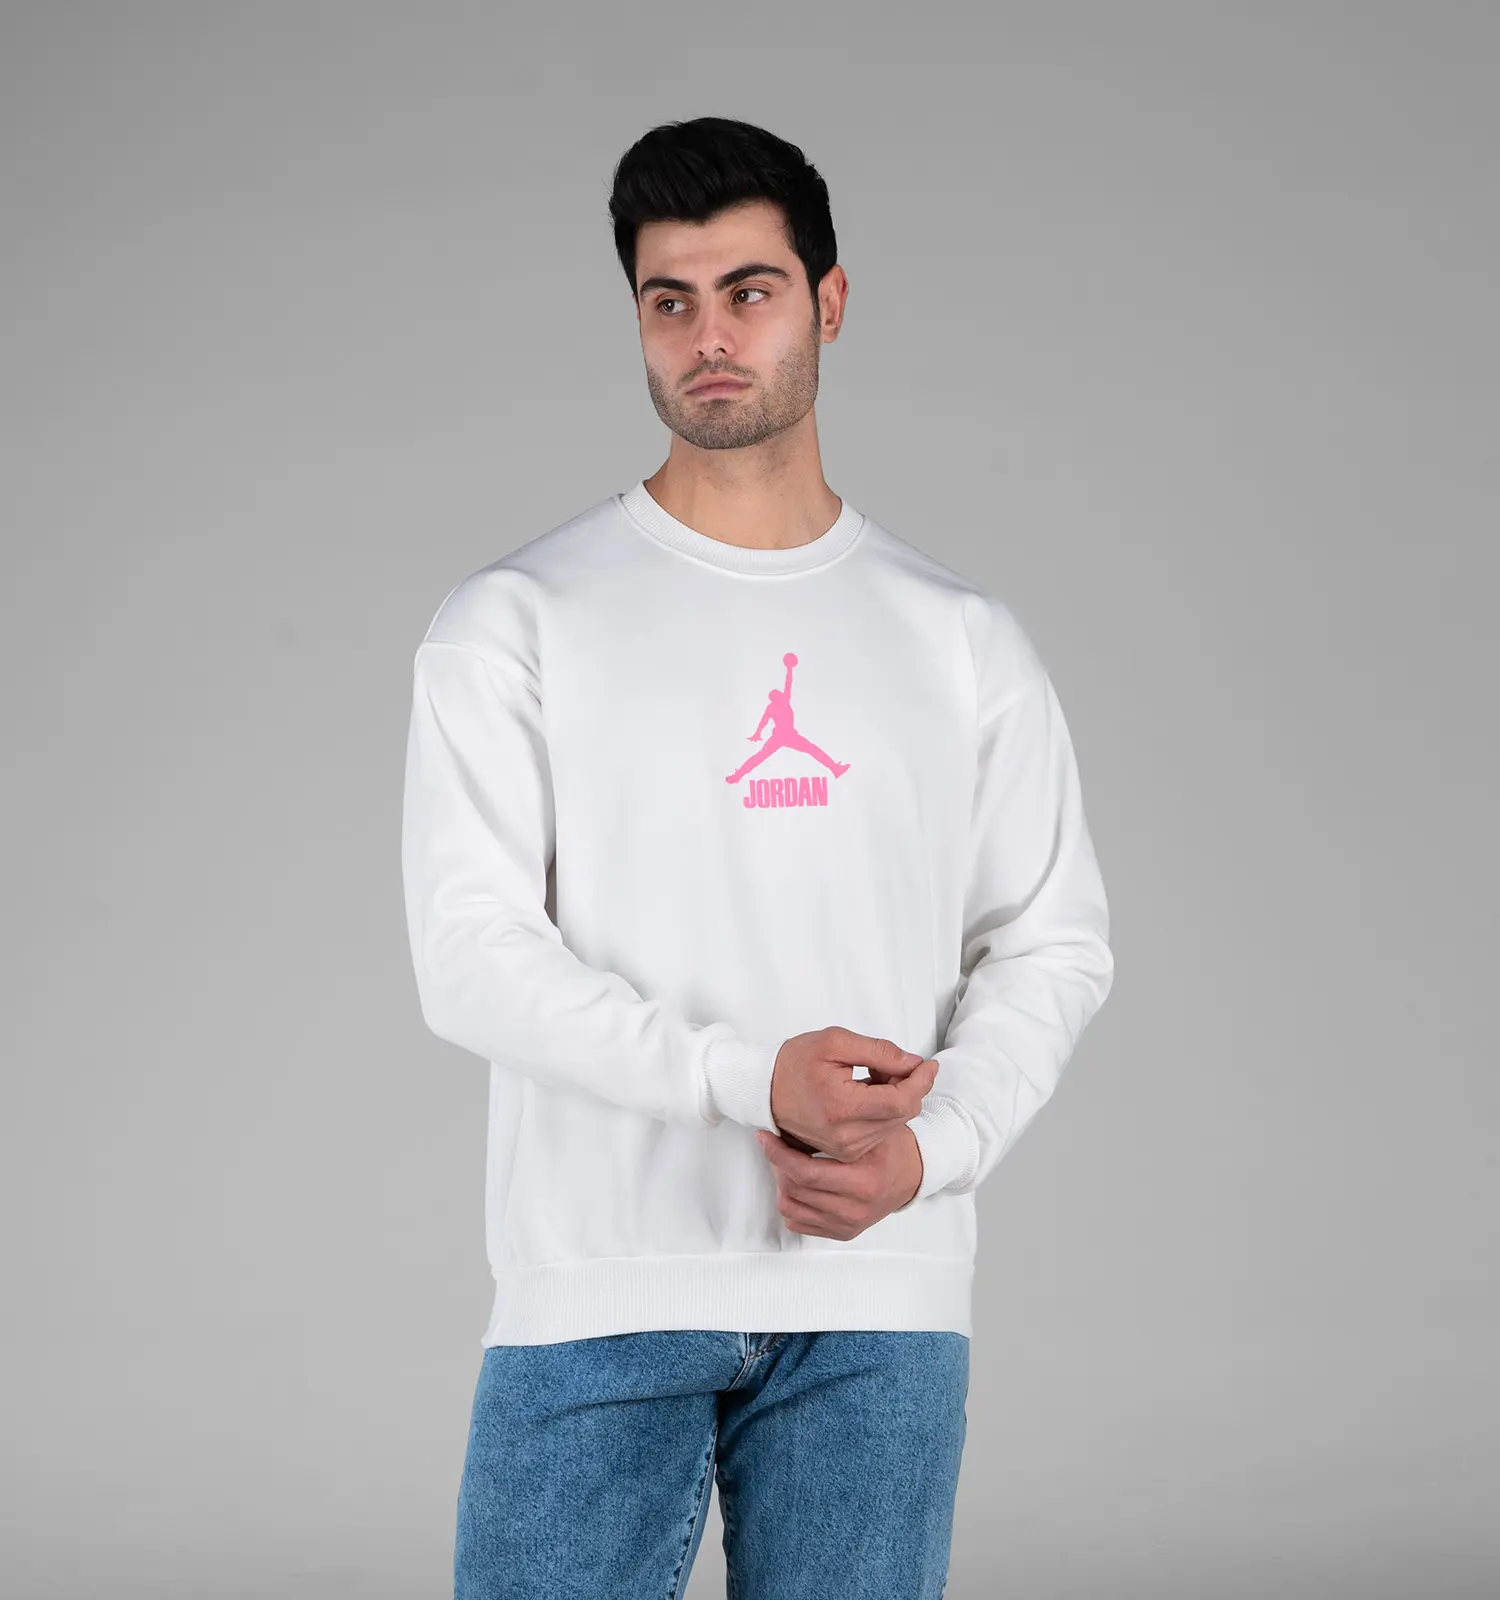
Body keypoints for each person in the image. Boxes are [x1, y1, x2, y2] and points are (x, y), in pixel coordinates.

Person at [400, 115, 1115, 1600]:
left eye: (750, 290)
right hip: (600, 1288)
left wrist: (935, 1153)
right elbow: (470, 958)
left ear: (829, 301)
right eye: (669, 300)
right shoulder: (518, 621)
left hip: (881, 1297)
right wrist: (745, 1081)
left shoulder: (959, 638)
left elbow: (1052, 943)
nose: (709, 336)